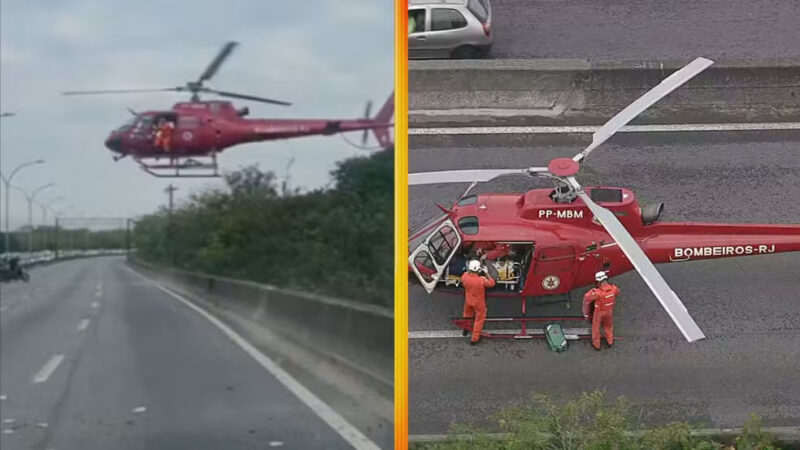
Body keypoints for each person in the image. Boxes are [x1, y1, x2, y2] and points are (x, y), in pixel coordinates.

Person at [582, 271, 620, 351]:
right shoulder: (614, 288)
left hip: (599, 312)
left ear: (598, 282)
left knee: (596, 328)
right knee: (608, 326)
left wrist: (592, 290)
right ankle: (610, 341)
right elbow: (617, 293)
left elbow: (587, 298)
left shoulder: (597, 293)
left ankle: (596, 345)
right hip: (609, 311)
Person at [461, 259, 496, 345]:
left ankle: (465, 329)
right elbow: (492, 283)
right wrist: (487, 273)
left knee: (467, 315)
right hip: (478, 302)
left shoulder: (464, 276)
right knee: (479, 319)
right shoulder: (481, 280)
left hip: (468, 300)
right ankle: (474, 339)